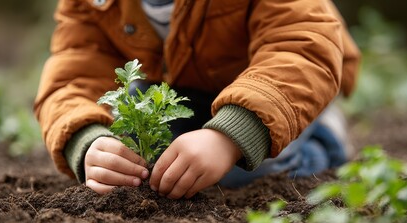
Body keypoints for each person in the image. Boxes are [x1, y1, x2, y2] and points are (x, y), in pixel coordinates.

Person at [34, 0, 361, 199]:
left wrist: (229, 137)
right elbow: (72, 71)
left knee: (240, 176)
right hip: (178, 89)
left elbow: (302, 46)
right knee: (142, 166)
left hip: (278, 87)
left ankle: (322, 135)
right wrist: (87, 141)